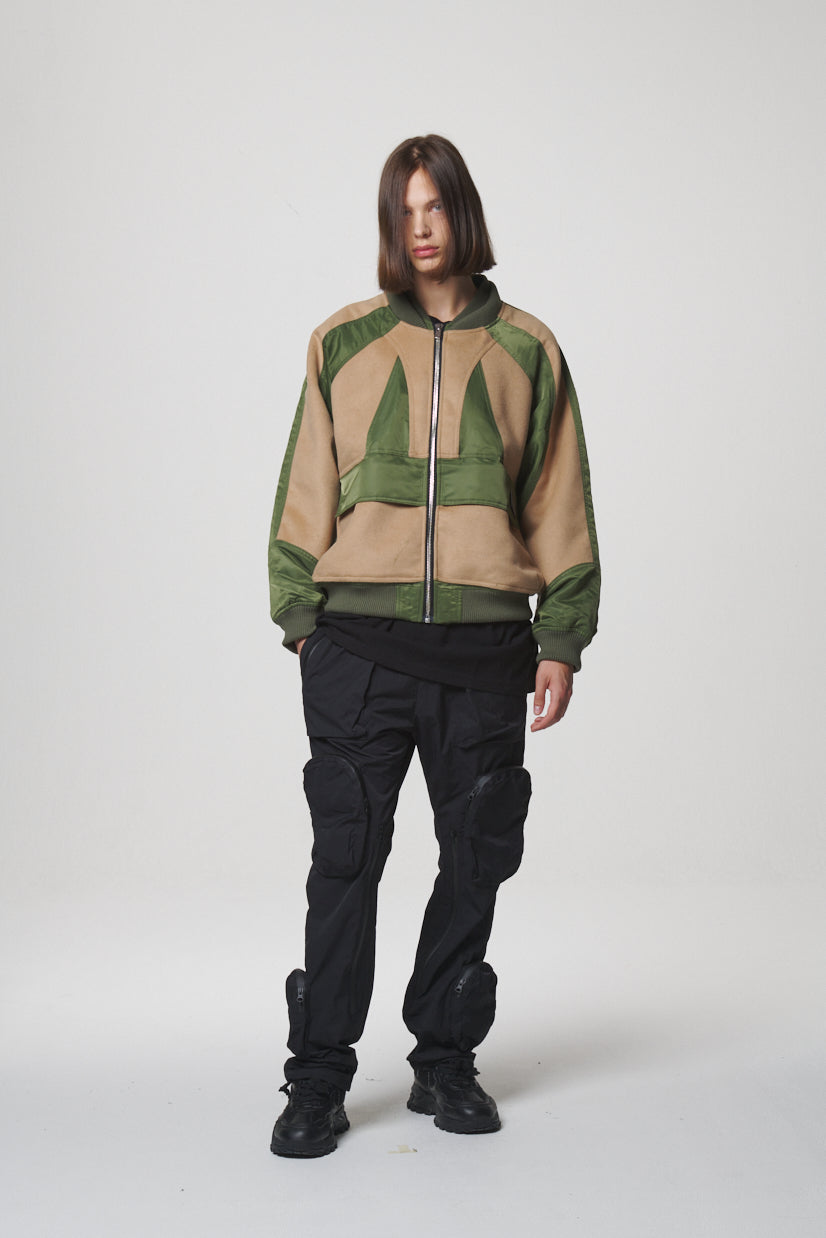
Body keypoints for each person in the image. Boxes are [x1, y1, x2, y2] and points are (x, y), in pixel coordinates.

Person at [267, 134, 599, 1157]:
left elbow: (560, 498)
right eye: (402, 209)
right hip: (358, 651)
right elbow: (304, 484)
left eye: (435, 205)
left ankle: (444, 1060)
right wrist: (301, 618)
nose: (420, 226)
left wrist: (562, 635)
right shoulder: (343, 341)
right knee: (346, 859)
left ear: (463, 212)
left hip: (487, 652)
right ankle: (318, 1077)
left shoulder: (530, 349)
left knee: (476, 859)